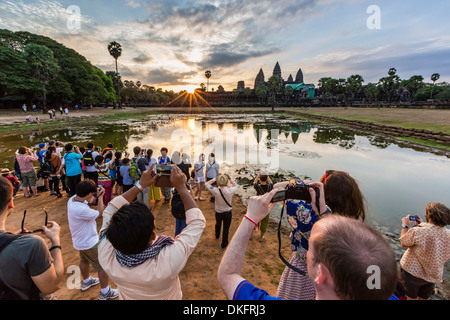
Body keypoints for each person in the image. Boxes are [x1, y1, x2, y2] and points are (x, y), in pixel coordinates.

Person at [217, 189, 398, 300]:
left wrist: (250, 218)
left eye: (310, 248)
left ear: (321, 273)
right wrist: (325, 214)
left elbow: (228, 275)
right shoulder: (379, 291)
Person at [98, 164, 206, 300]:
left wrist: (140, 184)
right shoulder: (168, 261)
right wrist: (182, 187)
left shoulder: (106, 255)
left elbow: (110, 209)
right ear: (153, 236)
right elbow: (198, 222)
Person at [275, 170, 366, 301]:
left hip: (301, 271)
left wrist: (308, 187)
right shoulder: (351, 227)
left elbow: (278, 187)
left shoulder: (304, 213)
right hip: (332, 278)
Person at [0, 176, 64, 300]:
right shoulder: (32, 245)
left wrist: (10, 240)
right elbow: (51, 285)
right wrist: (55, 241)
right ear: (10, 203)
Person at [67, 180, 119, 300]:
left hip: (80, 241)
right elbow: (100, 213)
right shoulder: (81, 210)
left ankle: (86, 281)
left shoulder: (73, 199)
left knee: (84, 260)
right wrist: (100, 197)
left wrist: (94, 197)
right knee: (102, 266)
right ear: (87, 194)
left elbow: (87, 204)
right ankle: (105, 292)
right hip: (89, 242)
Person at [399, 203, 450, 300]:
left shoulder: (417, 231)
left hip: (411, 273)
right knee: (423, 298)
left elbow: (404, 243)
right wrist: (422, 224)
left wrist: (405, 226)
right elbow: (435, 230)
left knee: (410, 298)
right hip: (432, 276)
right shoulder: (448, 235)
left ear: (429, 215)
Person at [205, 174, 239, 249]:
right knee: (226, 228)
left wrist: (215, 178)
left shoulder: (215, 191)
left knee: (218, 224)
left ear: (218, 182)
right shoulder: (230, 190)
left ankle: (217, 235)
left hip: (218, 212)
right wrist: (230, 179)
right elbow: (236, 185)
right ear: (226, 182)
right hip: (227, 212)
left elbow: (206, 184)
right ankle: (224, 243)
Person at [253, 170, 273, 242]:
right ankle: (261, 238)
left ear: (260, 179)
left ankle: (250, 235)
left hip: (258, 207)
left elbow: (254, 182)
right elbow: (271, 182)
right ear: (266, 178)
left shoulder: (257, 187)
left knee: (255, 221)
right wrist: (267, 177)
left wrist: (257, 176)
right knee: (264, 222)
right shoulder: (269, 187)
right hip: (266, 208)